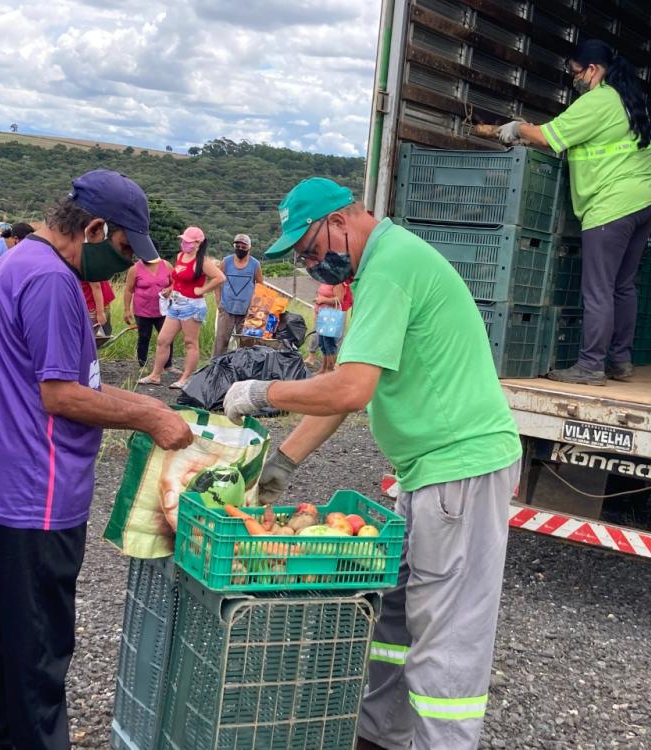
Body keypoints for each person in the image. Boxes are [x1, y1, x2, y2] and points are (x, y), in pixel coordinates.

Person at [222, 177, 522, 750]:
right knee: (392, 618)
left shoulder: (389, 268)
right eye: (304, 260)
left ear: (341, 219)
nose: (313, 267)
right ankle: (379, 738)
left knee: (446, 640)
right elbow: (347, 384)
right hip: (428, 473)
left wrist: (262, 394)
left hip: (460, 470)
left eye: (311, 250)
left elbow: (350, 390)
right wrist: (282, 463)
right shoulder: (381, 269)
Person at [0, 168, 193, 750]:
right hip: (39, 488)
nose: (125, 265)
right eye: (122, 248)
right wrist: (148, 417)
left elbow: (72, 380)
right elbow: (60, 396)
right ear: (93, 228)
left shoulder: (17, 263)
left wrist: (148, 403)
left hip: (4, 478)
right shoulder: (52, 281)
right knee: (40, 648)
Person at [497, 38, 651, 386]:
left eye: (575, 73)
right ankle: (619, 361)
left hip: (612, 205)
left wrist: (517, 128)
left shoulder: (599, 100)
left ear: (592, 69)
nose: (575, 80)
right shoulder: (628, 99)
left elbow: (549, 137)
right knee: (622, 285)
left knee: (599, 289)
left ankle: (590, 366)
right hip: (645, 199)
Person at [138, 226, 225, 389]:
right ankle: (155, 375)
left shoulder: (203, 262)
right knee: (163, 340)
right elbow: (177, 279)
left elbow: (219, 277)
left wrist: (203, 290)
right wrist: (170, 290)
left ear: (198, 243)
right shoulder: (180, 256)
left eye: (188, 241)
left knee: (190, 342)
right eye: (184, 240)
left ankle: (185, 378)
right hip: (176, 303)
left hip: (192, 305)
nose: (185, 244)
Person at [213, 232, 263, 357]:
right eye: (238, 246)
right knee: (221, 342)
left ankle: (245, 367)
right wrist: (219, 302)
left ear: (249, 247)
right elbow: (217, 282)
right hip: (227, 308)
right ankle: (215, 367)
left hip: (247, 311)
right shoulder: (226, 261)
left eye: (243, 247)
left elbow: (261, 286)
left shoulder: (255, 264)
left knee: (246, 343)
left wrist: (255, 309)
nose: (240, 249)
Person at [123, 255, 174, 369]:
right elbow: (128, 290)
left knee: (167, 337)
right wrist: (126, 310)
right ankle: (143, 365)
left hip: (163, 310)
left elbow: (175, 282)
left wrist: (169, 289)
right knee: (144, 337)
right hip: (142, 311)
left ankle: (167, 365)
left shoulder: (166, 265)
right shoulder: (135, 268)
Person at [313, 281, 345, 373]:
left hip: (331, 318)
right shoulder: (324, 281)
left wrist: (324, 300)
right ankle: (323, 368)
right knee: (323, 344)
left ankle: (330, 369)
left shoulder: (337, 282)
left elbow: (340, 300)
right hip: (322, 316)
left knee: (330, 345)